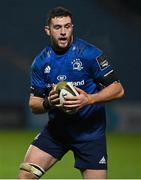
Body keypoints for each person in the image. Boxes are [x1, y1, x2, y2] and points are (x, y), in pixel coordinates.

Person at [18, 6, 124, 179]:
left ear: (72, 27)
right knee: (25, 175)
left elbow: (118, 89)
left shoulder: (90, 54)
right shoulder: (40, 62)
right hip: (57, 132)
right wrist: (49, 102)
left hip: (90, 135)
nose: (63, 32)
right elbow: (34, 104)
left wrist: (89, 99)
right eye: (57, 27)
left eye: (67, 26)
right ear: (48, 30)